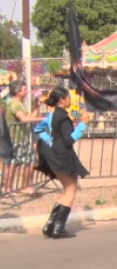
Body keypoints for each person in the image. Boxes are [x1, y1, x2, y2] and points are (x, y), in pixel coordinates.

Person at [34, 86, 91, 239]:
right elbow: (69, 140)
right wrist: (83, 124)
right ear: (62, 99)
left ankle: (50, 225)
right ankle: (58, 228)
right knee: (70, 190)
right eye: (68, 97)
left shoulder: (52, 116)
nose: (70, 99)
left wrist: (49, 141)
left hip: (54, 154)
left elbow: (38, 130)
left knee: (66, 190)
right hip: (63, 155)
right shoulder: (63, 117)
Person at [5, 80, 44, 195]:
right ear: (17, 91)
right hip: (15, 139)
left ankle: (26, 186)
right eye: (25, 89)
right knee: (12, 164)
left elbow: (30, 117)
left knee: (30, 161)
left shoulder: (20, 103)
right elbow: (24, 119)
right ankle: (7, 189)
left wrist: (37, 107)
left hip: (24, 138)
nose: (27, 91)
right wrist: (42, 119)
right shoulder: (14, 104)